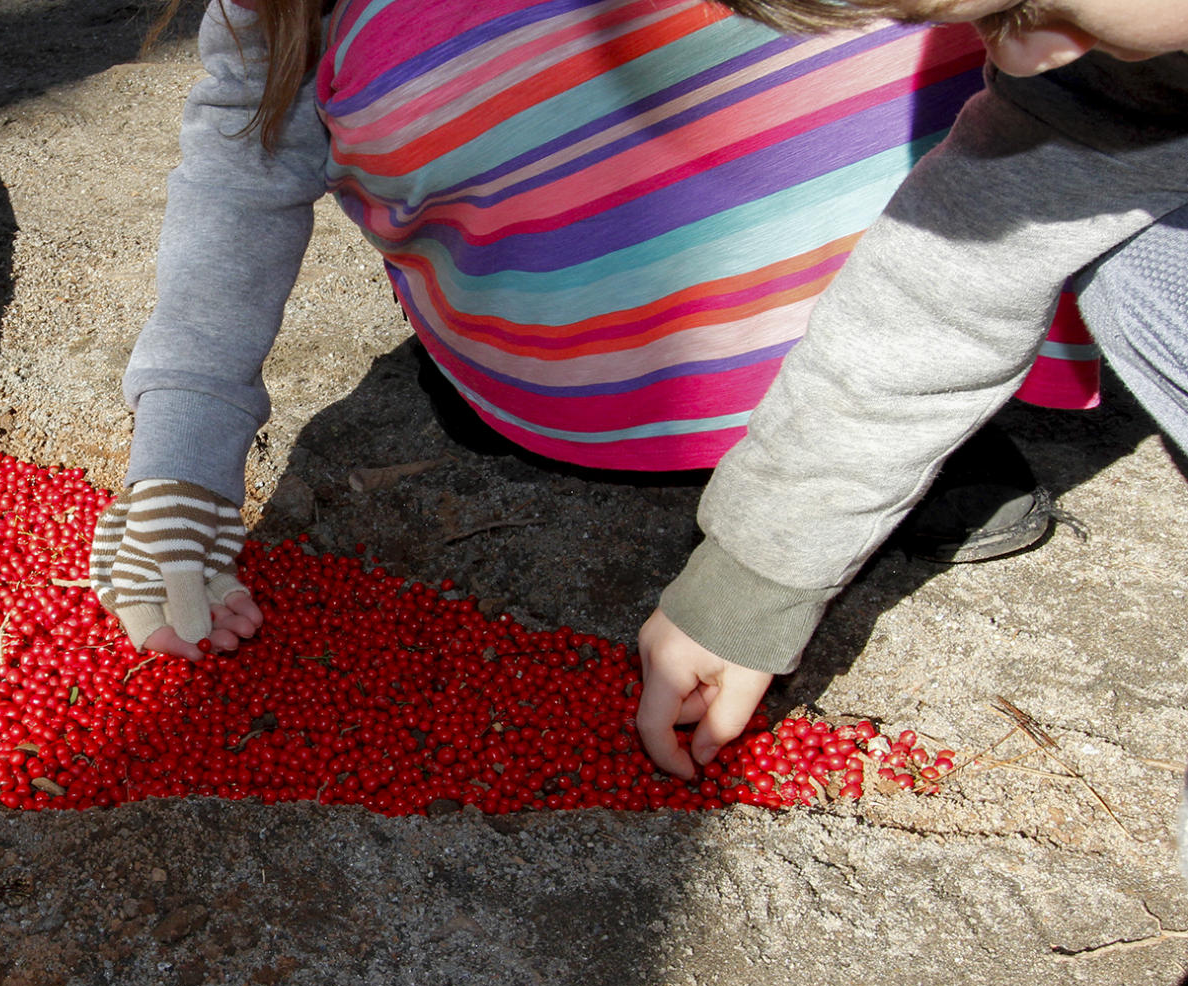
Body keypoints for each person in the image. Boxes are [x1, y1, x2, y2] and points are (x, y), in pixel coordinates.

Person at [89, 0, 1102, 659]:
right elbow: (242, 155)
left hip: (876, 328)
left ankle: (884, 429)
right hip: (550, 374)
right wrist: (180, 467)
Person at [631, 1, 1188, 781]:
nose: (1016, 59)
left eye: (1029, 2)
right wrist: (746, 588)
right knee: (1139, 275)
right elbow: (931, 304)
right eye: (986, 18)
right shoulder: (1115, 80)